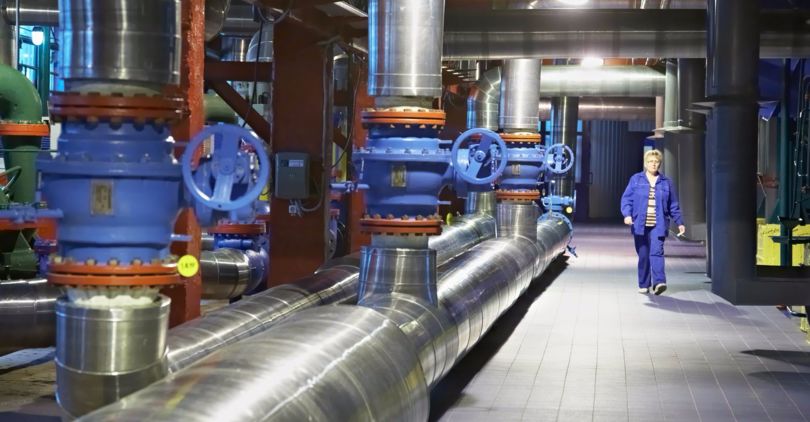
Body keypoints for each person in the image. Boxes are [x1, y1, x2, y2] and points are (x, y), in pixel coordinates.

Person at [620, 149, 685, 295]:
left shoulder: (667, 182)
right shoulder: (636, 179)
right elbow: (627, 199)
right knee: (643, 255)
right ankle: (644, 284)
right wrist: (627, 214)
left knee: (657, 252)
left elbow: (673, 205)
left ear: (659, 164)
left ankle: (659, 282)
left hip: (659, 224)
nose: (653, 164)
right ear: (645, 164)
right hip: (639, 224)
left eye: (656, 162)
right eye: (650, 161)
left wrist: (680, 222)